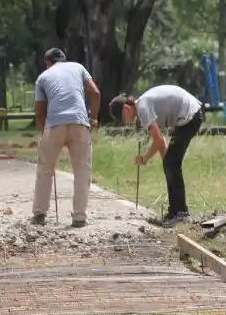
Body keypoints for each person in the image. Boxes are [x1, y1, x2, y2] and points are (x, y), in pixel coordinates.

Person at [109, 85, 203, 225]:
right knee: (171, 164)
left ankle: (180, 213)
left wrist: (145, 158)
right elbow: (161, 142)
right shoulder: (143, 105)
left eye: (123, 119)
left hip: (190, 116)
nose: (126, 123)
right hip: (189, 114)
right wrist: (168, 165)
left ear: (126, 108)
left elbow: (158, 140)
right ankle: (174, 212)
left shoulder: (142, 108)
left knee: (172, 164)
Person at [31, 48, 101, 227]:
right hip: (79, 121)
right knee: (82, 170)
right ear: (64, 60)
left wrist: (43, 133)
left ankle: (39, 215)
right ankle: (79, 217)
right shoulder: (78, 67)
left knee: (45, 169)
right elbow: (95, 93)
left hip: (55, 124)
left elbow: (39, 111)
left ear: (47, 62)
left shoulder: (44, 76)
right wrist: (93, 117)